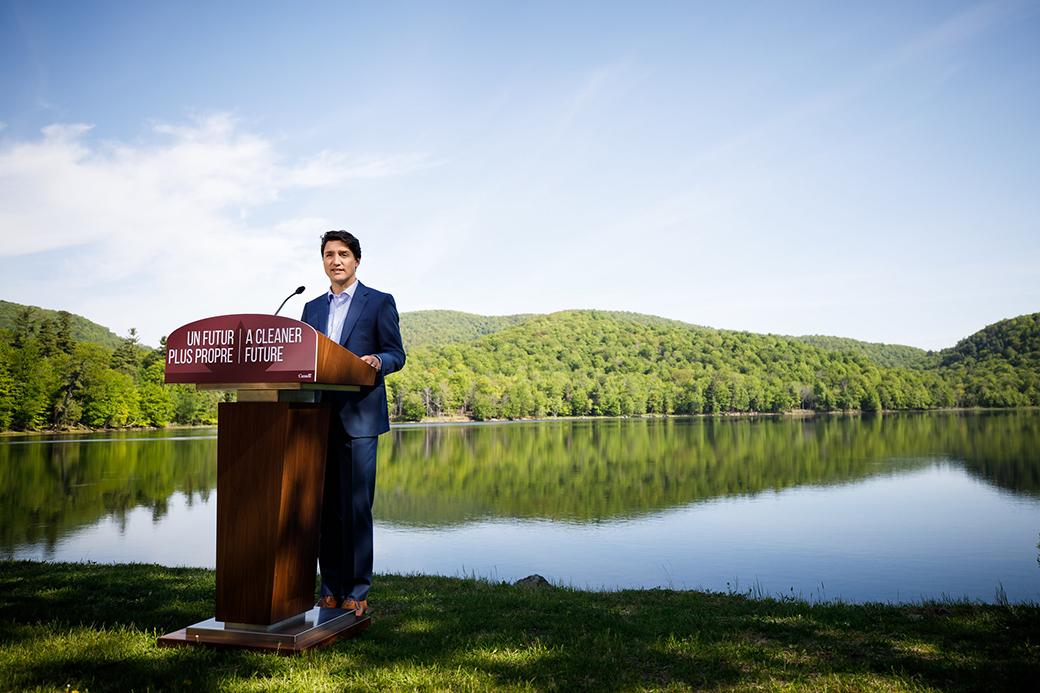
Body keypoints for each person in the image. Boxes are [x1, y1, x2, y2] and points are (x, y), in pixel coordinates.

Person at [301, 230, 405, 617]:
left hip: (360, 418)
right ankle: (329, 588)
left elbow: (396, 353)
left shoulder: (378, 302)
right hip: (317, 419)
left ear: (356, 260)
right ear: (323, 261)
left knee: (357, 508)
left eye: (343, 254)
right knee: (326, 509)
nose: (336, 261)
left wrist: (379, 361)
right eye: (329, 254)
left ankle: (357, 592)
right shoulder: (311, 308)